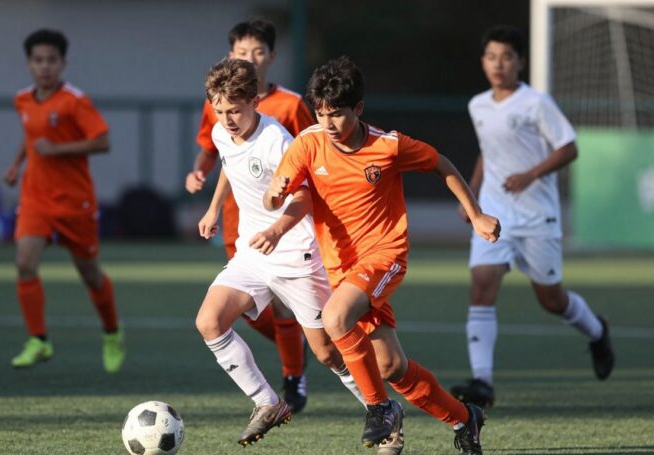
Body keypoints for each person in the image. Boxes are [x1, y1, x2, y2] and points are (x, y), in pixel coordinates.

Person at [264, 56, 500, 455]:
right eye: (321, 114)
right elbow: (280, 187)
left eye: (336, 114)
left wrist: (475, 214)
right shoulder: (308, 143)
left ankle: (379, 410)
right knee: (392, 367)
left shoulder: (387, 146)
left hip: (384, 255)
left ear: (357, 109)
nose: (328, 123)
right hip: (341, 269)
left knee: (336, 318)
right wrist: (274, 197)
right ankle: (465, 418)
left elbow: (440, 163)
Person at [196, 58, 367, 448]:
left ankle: (380, 408)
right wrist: (212, 209)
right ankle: (266, 402)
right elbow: (227, 163)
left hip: (296, 253)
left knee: (326, 352)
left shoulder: (276, 141)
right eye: (219, 111)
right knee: (209, 321)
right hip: (252, 253)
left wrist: (276, 229)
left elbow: (305, 197)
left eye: (235, 111)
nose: (227, 119)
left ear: (255, 101)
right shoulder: (224, 132)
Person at [449, 25, 615, 409]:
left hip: (537, 216)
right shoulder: (478, 105)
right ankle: (482, 382)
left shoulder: (535, 103)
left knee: (552, 300)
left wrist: (531, 174)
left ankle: (596, 331)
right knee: (481, 287)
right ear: (483, 62)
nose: (498, 64)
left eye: (506, 57)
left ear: (520, 61)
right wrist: (472, 200)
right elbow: (486, 152)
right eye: (491, 57)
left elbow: (569, 148)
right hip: (494, 212)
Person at [186, 18, 315, 413]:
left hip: (286, 227)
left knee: (285, 310)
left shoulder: (288, 107)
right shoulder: (221, 104)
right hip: (239, 224)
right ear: (232, 56)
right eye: (243, 52)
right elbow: (218, 150)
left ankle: (294, 379)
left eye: (259, 52)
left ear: (271, 57)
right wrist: (200, 177)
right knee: (242, 313)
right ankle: (292, 353)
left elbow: (313, 152)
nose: (251, 58)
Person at [3, 29, 124, 373]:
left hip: (75, 202)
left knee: (90, 274)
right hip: (35, 198)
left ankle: (112, 332)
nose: (45, 67)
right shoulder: (23, 99)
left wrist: (57, 150)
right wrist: (16, 164)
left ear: (62, 63)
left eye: (51, 60)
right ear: (29, 64)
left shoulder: (75, 101)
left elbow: (103, 142)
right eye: (38, 60)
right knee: (25, 262)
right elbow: (31, 137)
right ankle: (38, 340)